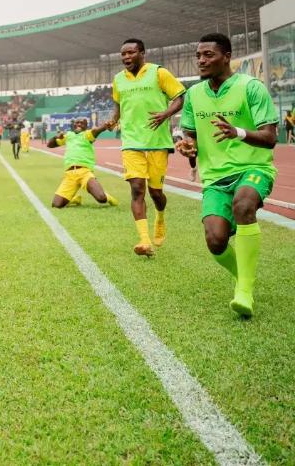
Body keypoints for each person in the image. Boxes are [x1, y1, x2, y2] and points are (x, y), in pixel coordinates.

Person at [178, 34, 277, 317]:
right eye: (198, 56)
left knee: (244, 206)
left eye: (208, 54)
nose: (201, 60)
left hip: (253, 168)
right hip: (215, 177)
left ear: (226, 56)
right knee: (215, 241)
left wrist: (238, 132)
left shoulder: (251, 87)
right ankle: (241, 275)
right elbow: (190, 135)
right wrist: (189, 147)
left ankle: (244, 291)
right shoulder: (194, 95)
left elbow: (270, 138)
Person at [109, 39, 186, 257]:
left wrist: (166, 114)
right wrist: (113, 119)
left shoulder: (159, 73)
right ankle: (144, 241)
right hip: (131, 142)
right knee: (136, 190)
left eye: (130, 53)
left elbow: (180, 97)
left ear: (142, 53)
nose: (126, 57)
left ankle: (160, 216)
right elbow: (117, 103)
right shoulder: (118, 80)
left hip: (156, 142)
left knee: (156, 193)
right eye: (123, 54)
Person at [46, 118, 119, 208]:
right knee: (56, 205)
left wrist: (105, 125)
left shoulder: (87, 135)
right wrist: (56, 137)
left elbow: (97, 130)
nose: (79, 124)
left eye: (82, 123)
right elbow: (49, 145)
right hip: (69, 175)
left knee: (101, 198)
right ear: (73, 125)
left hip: (85, 173)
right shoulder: (68, 136)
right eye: (77, 122)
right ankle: (74, 199)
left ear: (86, 126)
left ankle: (108, 197)